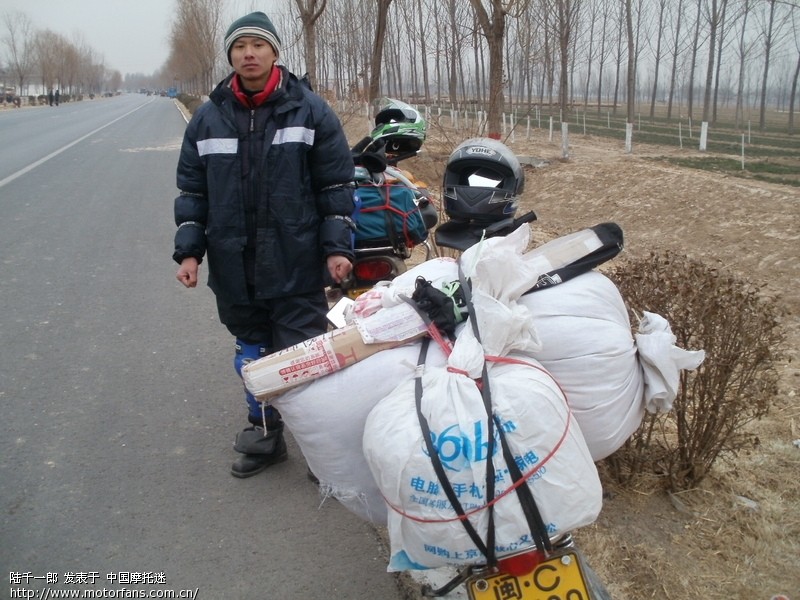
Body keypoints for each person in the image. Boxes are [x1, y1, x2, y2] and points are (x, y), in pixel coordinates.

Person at [172, 11, 355, 478]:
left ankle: (321, 450)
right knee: (252, 354)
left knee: (303, 357)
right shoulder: (208, 118)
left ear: (275, 52)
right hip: (234, 264)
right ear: (230, 56)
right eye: (239, 46)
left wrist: (337, 249)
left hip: (295, 259)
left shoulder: (311, 110)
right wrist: (190, 251)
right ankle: (265, 433)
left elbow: (335, 188)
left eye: (257, 44)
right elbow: (194, 193)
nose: (248, 53)